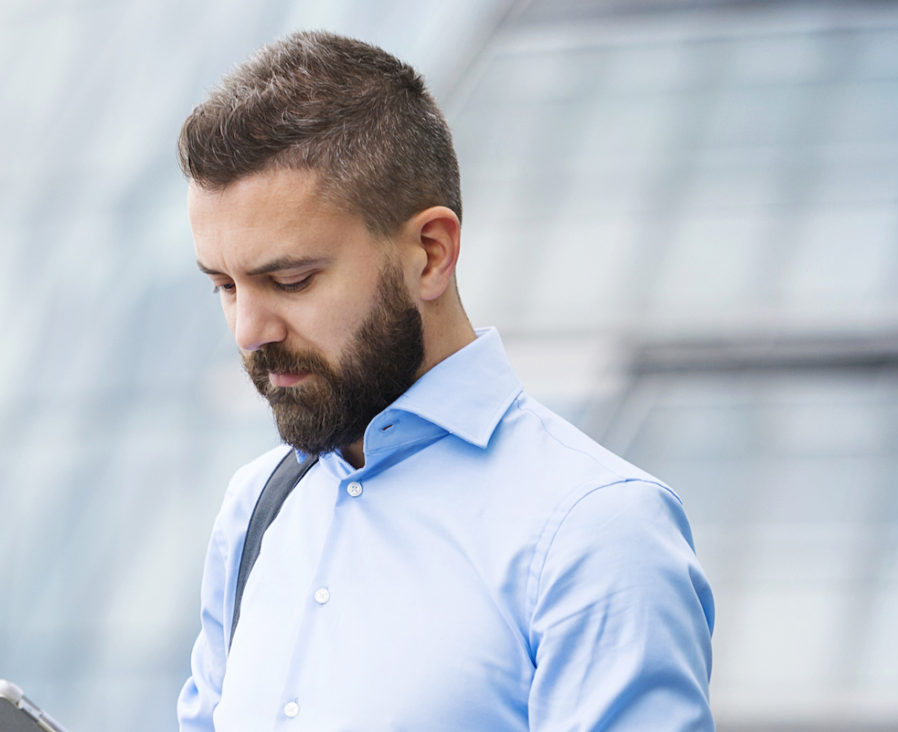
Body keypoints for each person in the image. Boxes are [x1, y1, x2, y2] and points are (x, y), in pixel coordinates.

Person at [175, 30, 715, 731]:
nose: (249, 330)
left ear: (431, 254)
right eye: (224, 285)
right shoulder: (256, 507)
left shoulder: (598, 534)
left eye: (291, 280)